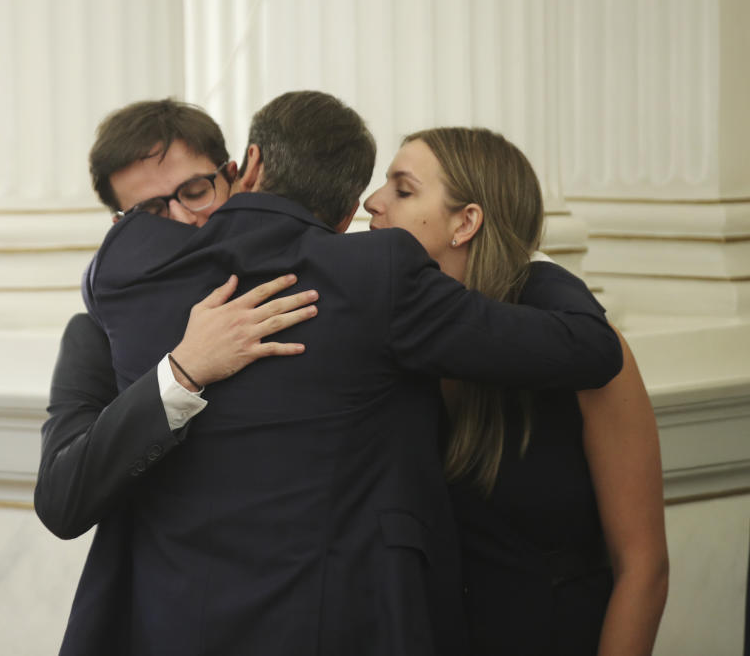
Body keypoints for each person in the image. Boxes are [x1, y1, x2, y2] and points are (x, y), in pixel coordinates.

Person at [83, 90, 623, 655]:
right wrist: (529, 258)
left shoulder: (123, 270)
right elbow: (590, 348)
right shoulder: (377, 273)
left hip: (174, 621)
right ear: (345, 216)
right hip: (334, 622)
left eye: (195, 191)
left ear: (250, 166)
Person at [365, 127, 669, 655]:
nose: (373, 201)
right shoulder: (394, 343)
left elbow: (644, 568)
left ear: (466, 222)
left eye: (403, 188)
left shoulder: (584, 350)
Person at [34, 99, 320, 655]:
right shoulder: (97, 333)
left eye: (195, 192)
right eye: (151, 213)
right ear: (120, 228)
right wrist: (181, 373)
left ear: (235, 177)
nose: (186, 220)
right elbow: (62, 502)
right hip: (168, 623)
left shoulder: (314, 288)